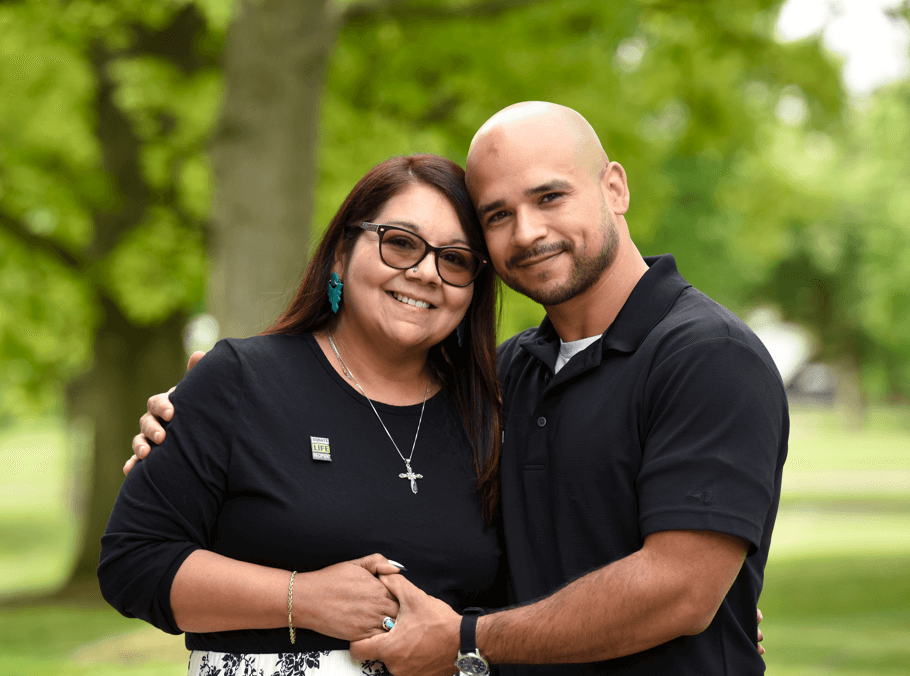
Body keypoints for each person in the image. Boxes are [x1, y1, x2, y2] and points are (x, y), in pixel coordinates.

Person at [131, 102, 782, 675]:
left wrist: (466, 640)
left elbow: (680, 591)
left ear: (614, 187)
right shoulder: (506, 379)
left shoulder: (706, 356)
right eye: (499, 215)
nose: (527, 232)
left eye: (549, 197)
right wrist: (207, 431)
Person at [99, 154, 507, 676]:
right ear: (341, 254)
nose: (425, 271)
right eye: (400, 242)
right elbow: (132, 563)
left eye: (455, 258)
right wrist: (301, 596)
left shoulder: (490, 416)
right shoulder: (241, 380)